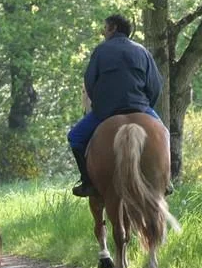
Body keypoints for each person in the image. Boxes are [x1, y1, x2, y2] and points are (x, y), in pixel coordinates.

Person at [68, 14, 163, 197]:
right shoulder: (142, 51)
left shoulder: (101, 51)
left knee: (75, 137)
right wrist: (145, 106)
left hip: (106, 111)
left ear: (113, 28)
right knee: (163, 134)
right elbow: (156, 85)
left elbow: (90, 82)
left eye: (105, 28)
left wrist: (100, 104)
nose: (103, 32)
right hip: (140, 107)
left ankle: (87, 182)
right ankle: (165, 180)